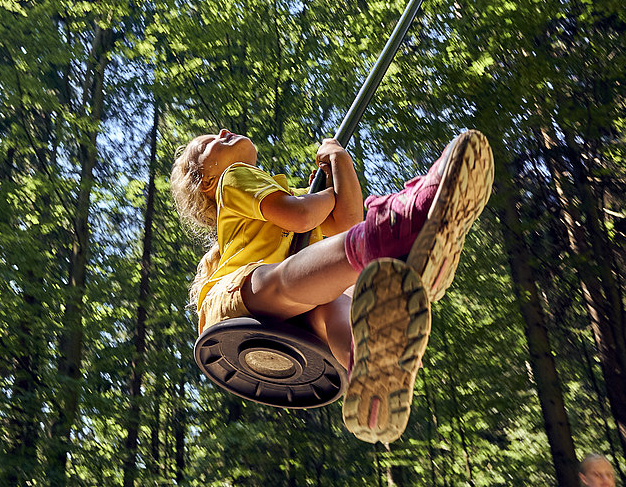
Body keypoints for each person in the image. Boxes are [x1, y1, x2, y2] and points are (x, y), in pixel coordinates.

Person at [171, 128, 493, 442]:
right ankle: (398, 235)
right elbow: (301, 217)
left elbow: (346, 223)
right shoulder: (233, 178)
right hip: (237, 300)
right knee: (282, 277)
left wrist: (341, 163)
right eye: (208, 143)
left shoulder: (280, 196)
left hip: (288, 310)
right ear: (207, 181)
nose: (223, 131)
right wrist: (324, 194)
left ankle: (368, 368)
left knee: (335, 302)